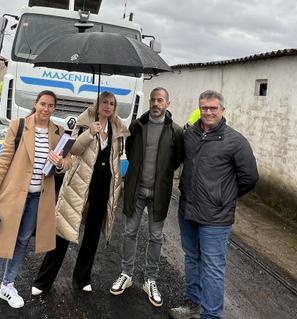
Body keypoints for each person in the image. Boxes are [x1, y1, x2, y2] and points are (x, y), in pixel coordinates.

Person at [0, 90, 66, 319]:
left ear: (54, 108)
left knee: (22, 241)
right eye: (42, 104)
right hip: (14, 196)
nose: (46, 109)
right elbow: (2, 162)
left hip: (37, 198)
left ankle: (7, 285)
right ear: (35, 104)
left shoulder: (58, 132)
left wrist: (61, 163)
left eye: (50, 105)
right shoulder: (20, 126)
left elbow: (65, 163)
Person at [169, 90, 259, 319]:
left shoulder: (236, 142)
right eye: (204, 108)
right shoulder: (190, 135)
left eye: (213, 108)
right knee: (191, 257)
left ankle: (211, 315)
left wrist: (222, 196)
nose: (208, 112)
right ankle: (192, 304)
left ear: (222, 110)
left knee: (213, 267)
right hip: (188, 210)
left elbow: (250, 177)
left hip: (215, 218)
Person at [31, 91, 129, 294]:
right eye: (104, 102)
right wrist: (89, 133)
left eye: (111, 103)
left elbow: (116, 160)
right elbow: (72, 149)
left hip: (103, 189)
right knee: (63, 232)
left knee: (92, 236)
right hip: (79, 186)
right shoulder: (85, 123)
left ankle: (82, 279)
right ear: (98, 103)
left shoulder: (117, 128)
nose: (107, 106)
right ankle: (42, 282)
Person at [110, 87, 184, 307]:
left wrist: (162, 174)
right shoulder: (137, 126)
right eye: (153, 99)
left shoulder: (176, 132)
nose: (155, 103)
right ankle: (126, 274)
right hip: (137, 190)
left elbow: (177, 158)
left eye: (160, 100)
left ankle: (150, 279)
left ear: (167, 104)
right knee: (129, 231)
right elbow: (131, 152)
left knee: (156, 237)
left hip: (159, 193)